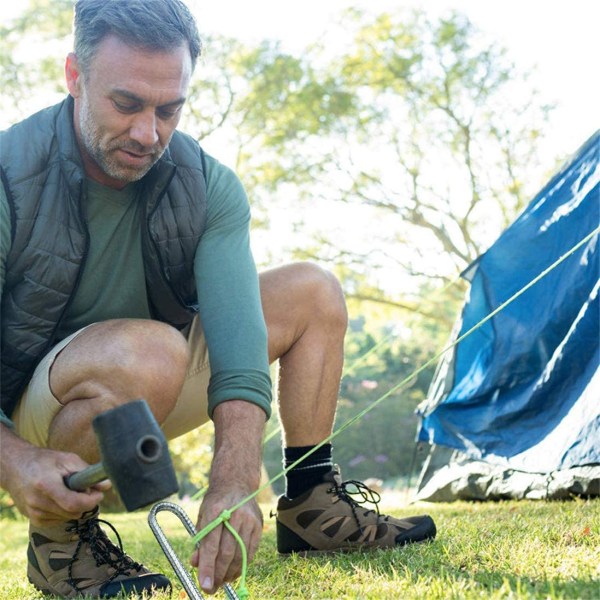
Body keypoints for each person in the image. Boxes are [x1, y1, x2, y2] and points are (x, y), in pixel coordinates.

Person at [0, 0, 436, 597]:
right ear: (75, 77)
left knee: (311, 291)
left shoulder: (208, 186)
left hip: (151, 378)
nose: (147, 133)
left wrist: (235, 478)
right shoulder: (7, 175)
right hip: (26, 413)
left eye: (169, 109)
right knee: (149, 350)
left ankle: (311, 505)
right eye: (126, 104)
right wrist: (15, 461)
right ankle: (62, 545)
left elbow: (237, 345)